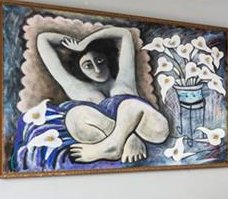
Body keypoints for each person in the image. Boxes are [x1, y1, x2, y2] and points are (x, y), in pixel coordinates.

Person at [32, 25, 170, 163]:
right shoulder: (77, 87)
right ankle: (126, 139)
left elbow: (124, 34)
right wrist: (130, 137)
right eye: (88, 65)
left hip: (150, 129)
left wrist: (85, 42)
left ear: (108, 60)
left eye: (99, 61)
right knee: (75, 115)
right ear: (80, 70)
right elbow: (43, 39)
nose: (97, 69)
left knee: (128, 105)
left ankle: (114, 145)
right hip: (101, 132)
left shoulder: (124, 78)